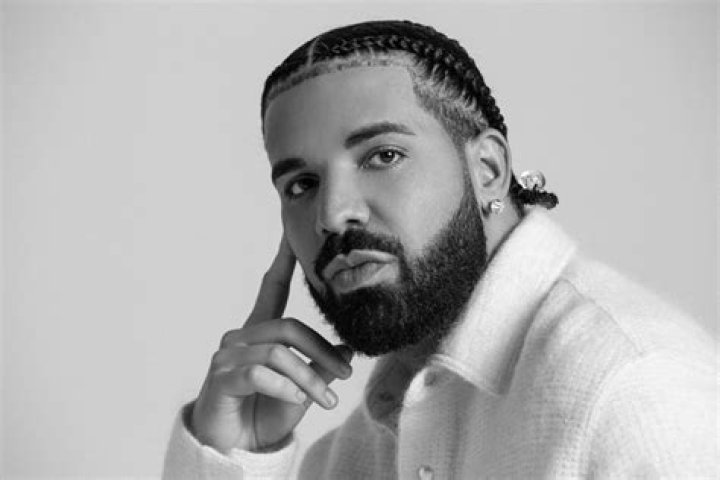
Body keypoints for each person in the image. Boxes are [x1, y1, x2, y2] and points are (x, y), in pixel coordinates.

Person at [163, 20, 717, 478]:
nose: (332, 214)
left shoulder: (633, 389)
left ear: (488, 169)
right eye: (301, 184)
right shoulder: (348, 456)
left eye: (383, 156)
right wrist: (233, 458)